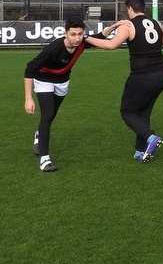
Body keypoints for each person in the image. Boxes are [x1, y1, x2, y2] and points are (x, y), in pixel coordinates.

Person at [85, 0, 163, 162]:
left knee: (127, 111)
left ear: (130, 8)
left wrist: (86, 38)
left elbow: (111, 45)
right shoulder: (157, 24)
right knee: (144, 112)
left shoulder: (128, 25)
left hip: (142, 76)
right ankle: (140, 151)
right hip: (161, 75)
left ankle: (150, 137)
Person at [23, 19, 118, 172]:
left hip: (62, 82)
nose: (77, 38)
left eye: (80, 34)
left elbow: (100, 36)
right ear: (65, 33)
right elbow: (29, 69)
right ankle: (45, 159)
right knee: (47, 116)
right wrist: (28, 98)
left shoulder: (81, 42)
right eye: (72, 34)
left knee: (52, 114)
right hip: (43, 81)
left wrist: (114, 26)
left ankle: (39, 134)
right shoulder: (53, 48)